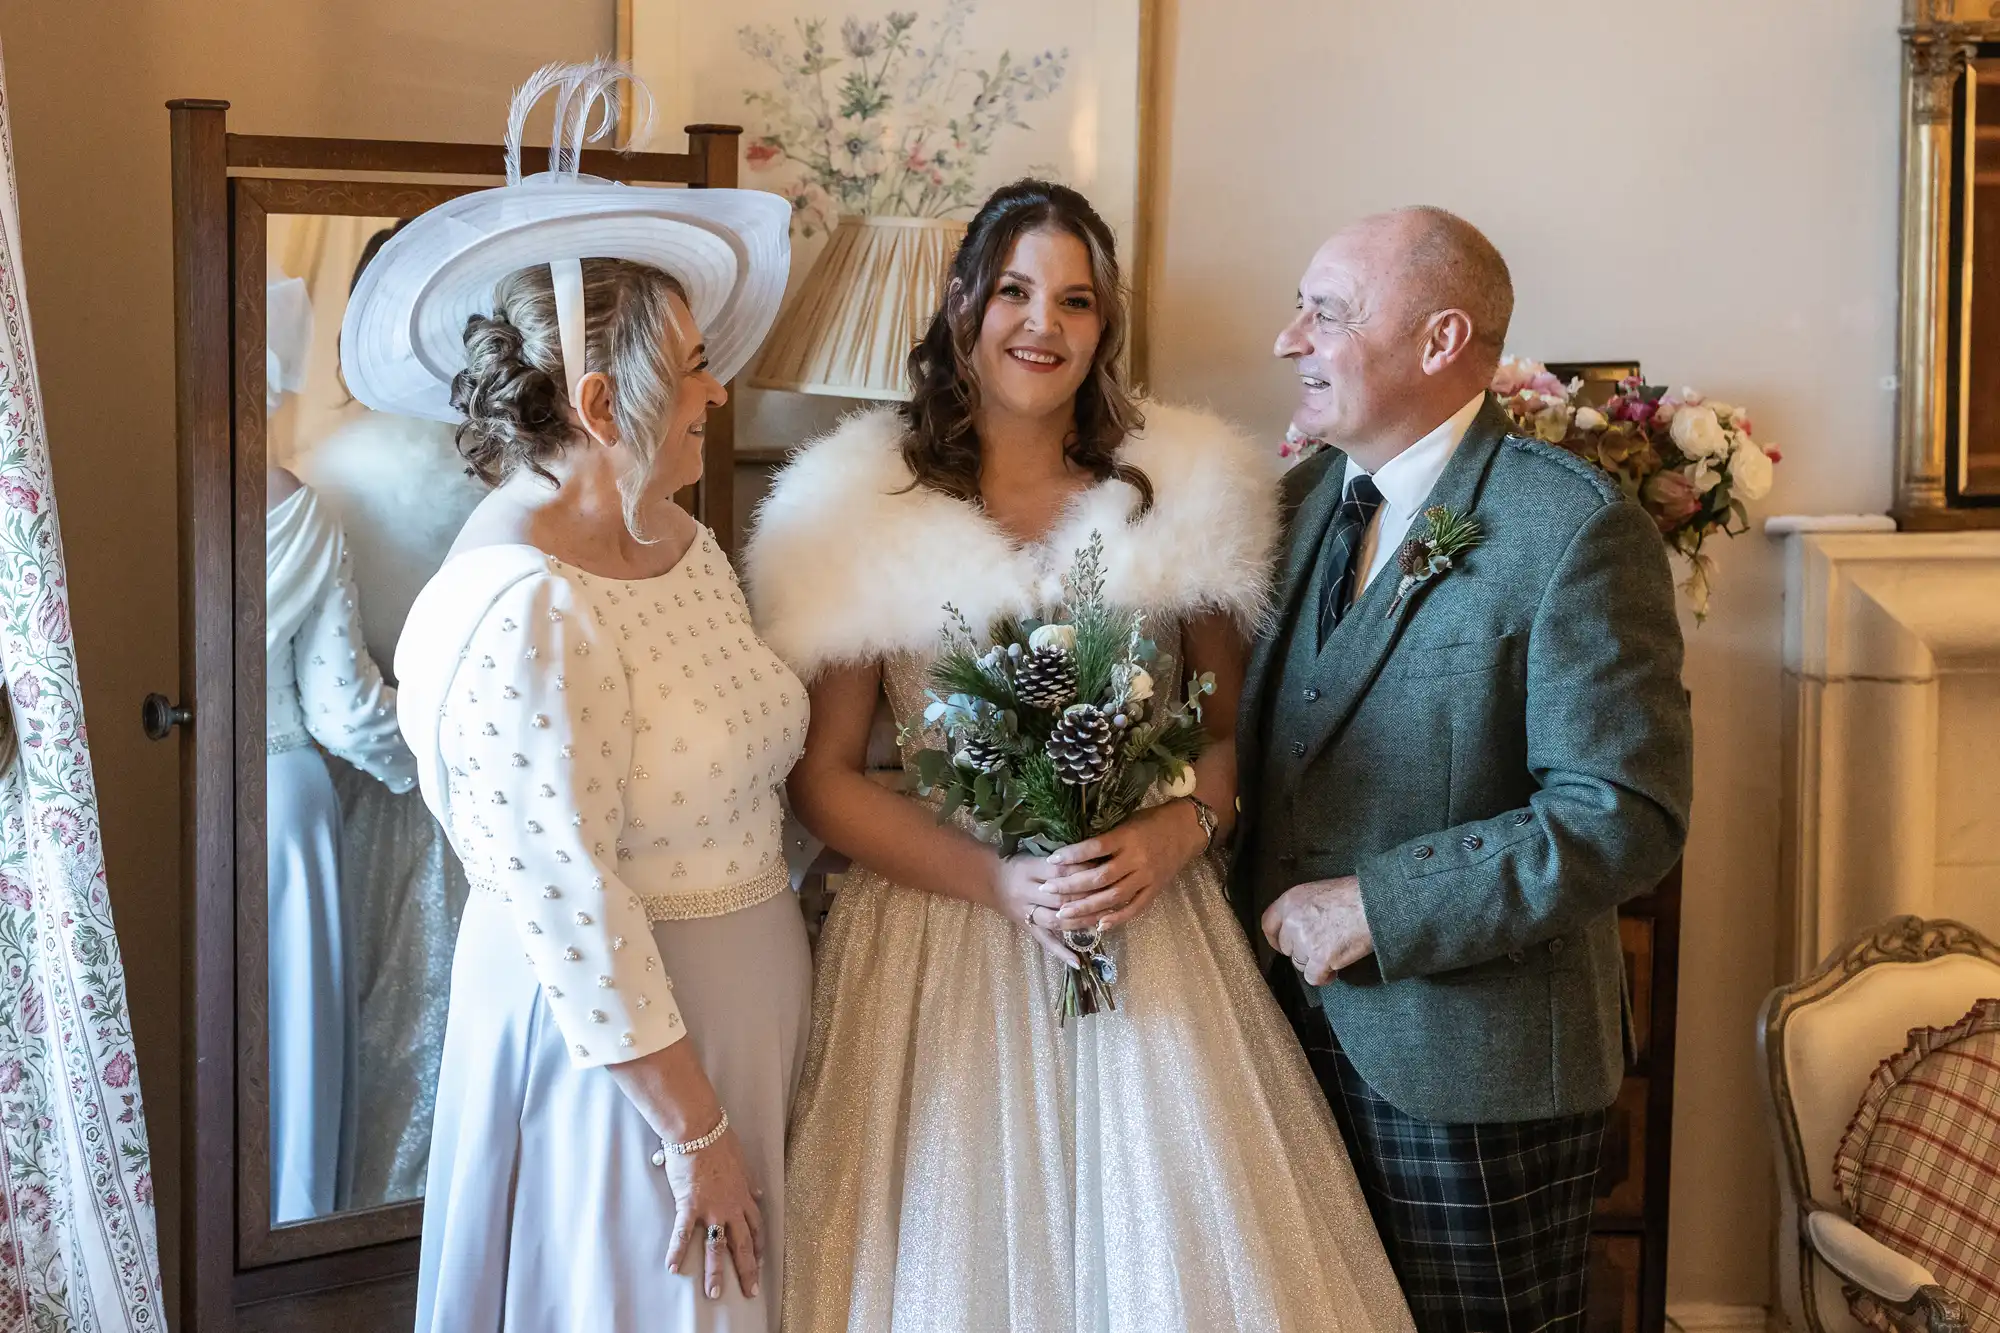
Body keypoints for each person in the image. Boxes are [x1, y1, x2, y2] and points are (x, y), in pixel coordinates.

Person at [746, 179, 1414, 1332]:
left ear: (1104, 328)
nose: (1039, 326)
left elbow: (1225, 734)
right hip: (932, 938)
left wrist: (1176, 829)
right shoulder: (858, 503)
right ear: (960, 301)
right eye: (1011, 291)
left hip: (1144, 924)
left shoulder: (1184, 489)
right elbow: (824, 778)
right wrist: (1002, 882)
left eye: (1074, 300)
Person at [345, 61, 803, 1330]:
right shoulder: (520, 608)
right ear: (603, 403)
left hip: (742, 1025)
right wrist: (691, 1130)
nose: (717, 392)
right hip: (632, 1069)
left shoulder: (682, 544)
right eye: (697, 369)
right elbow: (569, 902)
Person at [1238, 207, 1694, 1332]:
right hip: (1269, 1051)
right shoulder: (1289, 512)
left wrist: (1376, 906)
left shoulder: (1572, 526)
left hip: (1473, 1076)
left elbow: (1621, 812)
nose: (1286, 339)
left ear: (1440, 342)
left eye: (1325, 312)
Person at [294, 220, 487, 1211]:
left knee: (409, 1030)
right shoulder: (348, 483)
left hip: (400, 792)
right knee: (415, 1021)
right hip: (415, 799)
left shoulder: (336, 477)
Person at [263, 462, 416, 1222]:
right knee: (292, 1063)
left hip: (132, 787)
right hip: (280, 811)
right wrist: (438, 754)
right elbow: (342, 710)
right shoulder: (288, 501)